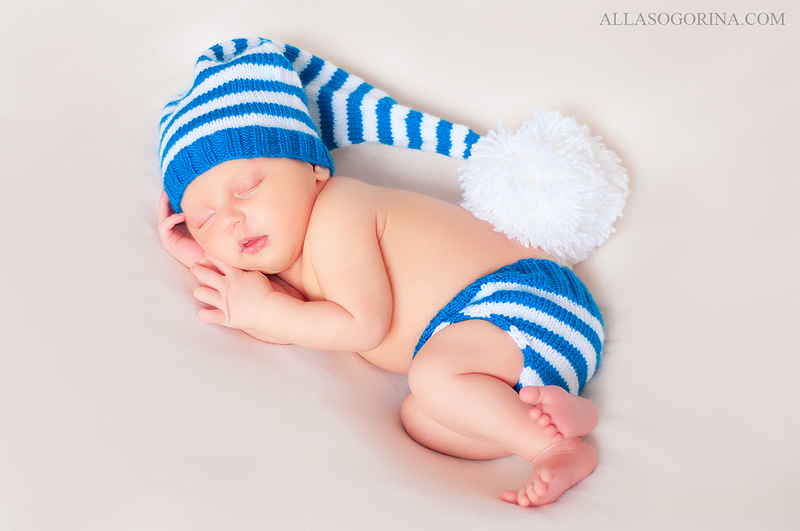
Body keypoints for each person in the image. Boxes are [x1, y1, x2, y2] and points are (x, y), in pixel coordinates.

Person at [157, 38, 626, 507]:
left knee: (433, 378)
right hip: (505, 359)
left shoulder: (339, 209)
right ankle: (555, 412)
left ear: (314, 169)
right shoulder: (289, 267)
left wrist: (262, 312)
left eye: (248, 186)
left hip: (524, 300)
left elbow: (360, 325)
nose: (231, 219)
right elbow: (294, 323)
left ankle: (552, 448)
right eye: (205, 220)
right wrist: (207, 264)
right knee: (423, 418)